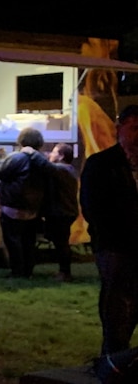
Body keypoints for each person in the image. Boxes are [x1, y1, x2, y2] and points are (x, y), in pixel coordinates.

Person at [80, 104, 138, 357]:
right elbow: (94, 209)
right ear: (120, 129)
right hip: (117, 248)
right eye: (135, 128)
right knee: (119, 310)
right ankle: (113, 362)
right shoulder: (102, 164)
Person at [0, 127, 54, 278]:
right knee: (29, 241)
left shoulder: (16, 158)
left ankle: (17, 272)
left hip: (13, 206)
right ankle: (28, 271)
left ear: (21, 140)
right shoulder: (41, 161)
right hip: (33, 208)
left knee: (13, 240)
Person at [44, 142, 79, 282]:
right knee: (61, 241)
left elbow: (46, 166)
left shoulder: (61, 169)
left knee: (61, 243)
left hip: (61, 212)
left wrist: (31, 152)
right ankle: (64, 272)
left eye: (54, 152)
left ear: (61, 156)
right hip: (67, 211)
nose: (51, 154)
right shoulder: (69, 169)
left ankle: (65, 273)